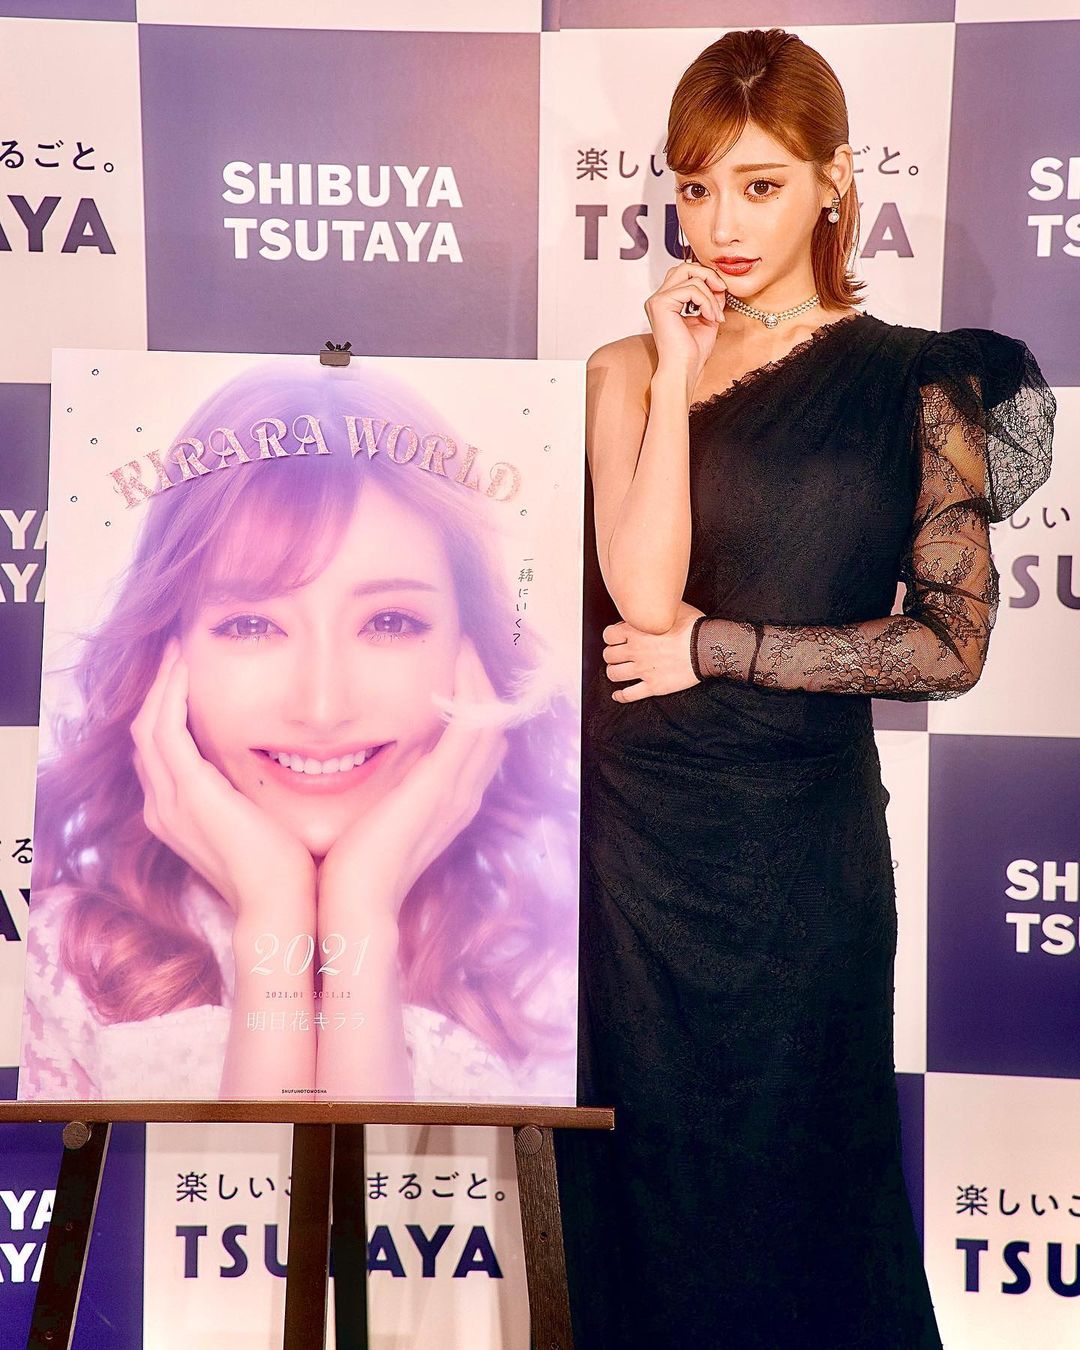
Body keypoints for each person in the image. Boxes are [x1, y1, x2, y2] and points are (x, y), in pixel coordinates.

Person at [553, 28, 1055, 1349]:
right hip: (629, 854)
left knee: (806, 1197)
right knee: (637, 1197)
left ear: (835, 181)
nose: (721, 225)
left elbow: (949, 645)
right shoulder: (625, 368)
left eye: (761, 185)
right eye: (696, 187)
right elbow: (642, 597)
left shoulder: (917, 378)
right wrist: (674, 367)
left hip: (797, 857)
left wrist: (722, 648)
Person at [19, 360, 579, 1104]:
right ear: (166, 652)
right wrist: (274, 914)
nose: (321, 707)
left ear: (469, 647)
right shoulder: (65, 963)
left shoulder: (555, 962)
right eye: (251, 625)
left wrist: (360, 910)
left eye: (390, 622)